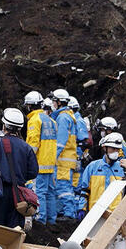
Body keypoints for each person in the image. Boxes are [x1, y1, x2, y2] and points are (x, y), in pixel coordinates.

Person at [0, 108, 39, 228]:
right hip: (17, 196)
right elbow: (33, 172)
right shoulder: (27, 148)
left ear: (4, 125)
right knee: (14, 231)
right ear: (20, 128)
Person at [25, 92, 58, 224]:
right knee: (50, 192)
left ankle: (40, 219)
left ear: (30, 105)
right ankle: (51, 219)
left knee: (39, 192)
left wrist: (26, 160)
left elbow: (33, 143)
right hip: (50, 163)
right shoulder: (51, 121)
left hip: (39, 163)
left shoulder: (35, 120)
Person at [78, 133, 126, 214]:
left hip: (115, 215)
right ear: (105, 148)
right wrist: (82, 208)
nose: (115, 152)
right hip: (95, 214)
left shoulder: (123, 168)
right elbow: (85, 190)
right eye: (113, 148)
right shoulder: (92, 167)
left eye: (117, 149)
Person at [51, 89, 79, 218]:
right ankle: (63, 213)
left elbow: (60, 142)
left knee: (63, 188)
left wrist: (52, 157)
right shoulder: (67, 116)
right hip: (66, 160)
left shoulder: (63, 118)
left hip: (63, 160)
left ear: (59, 102)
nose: (52, 103)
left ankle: (69, 214)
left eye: (54, 101)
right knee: (61, 187)